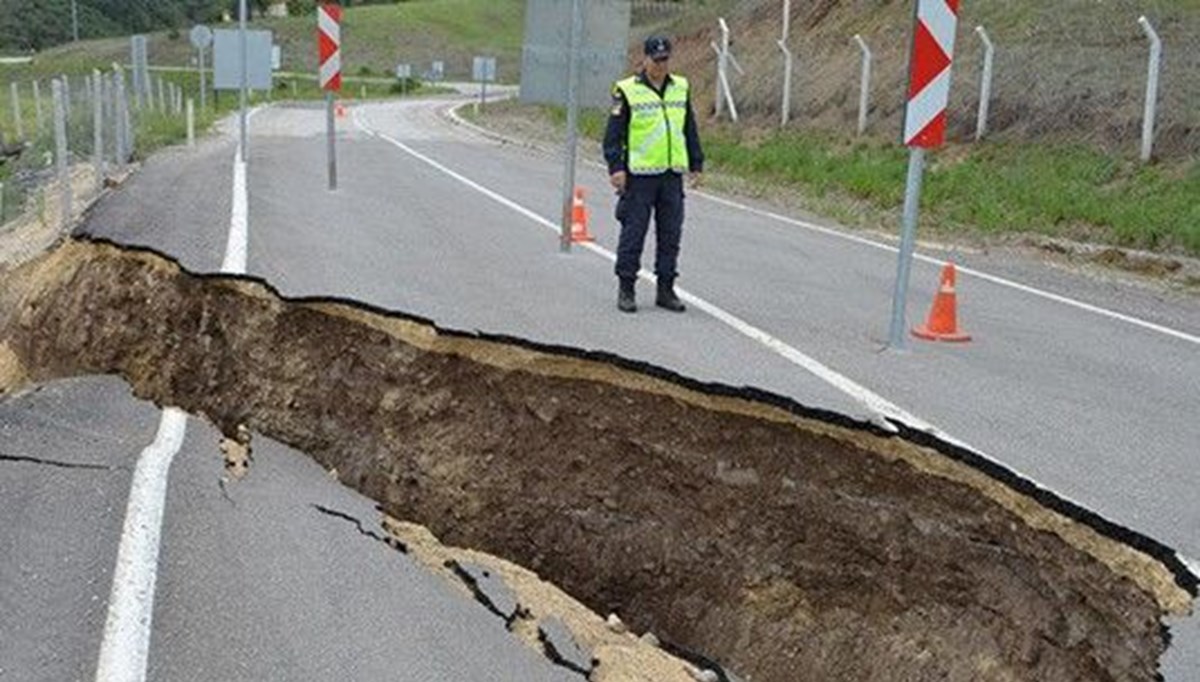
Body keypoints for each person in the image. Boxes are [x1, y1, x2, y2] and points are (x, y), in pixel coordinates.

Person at [603, 35, 704, 314]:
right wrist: (616, 168)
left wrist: (696, 163)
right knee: (634, 232)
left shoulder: (680, 87)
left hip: (671, 175)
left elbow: (689, 128)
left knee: (670, 234)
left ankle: (666, 289)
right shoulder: (626, 90)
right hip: (639, 176)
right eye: (656, 60)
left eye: (665, 59)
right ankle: (626, 288)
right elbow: (613, 136)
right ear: (645, 59)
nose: (661, 65)